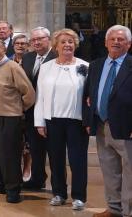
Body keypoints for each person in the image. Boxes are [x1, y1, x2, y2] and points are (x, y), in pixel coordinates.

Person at [34, 29, 89, 210]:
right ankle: (59, 193)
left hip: (77, 121)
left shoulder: (85, 66)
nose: (67, 45)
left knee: (77, 160)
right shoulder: (46, 67)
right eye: (63, 42)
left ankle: (79, 197)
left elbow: (89, 97)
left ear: (75, 45)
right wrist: (39, 121)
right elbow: (40, 96)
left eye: (71, 42)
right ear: (56, 46)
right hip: (53, 120)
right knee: (56, 159)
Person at [84, 25, 132, 217]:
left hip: (127, 128)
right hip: (103, 125)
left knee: (130, 173)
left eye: (121, 39)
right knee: (110, 170)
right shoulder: (96, 65)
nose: (116, 42)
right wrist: (89, 120)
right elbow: (89, 94)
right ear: (105, 43)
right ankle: (114, 209)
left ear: (129, 44)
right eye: (112, 39)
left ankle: (129, 211)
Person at [0, 40, 35, 204]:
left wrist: (18, 108)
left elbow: (29, 93)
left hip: (10, 118)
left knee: (9, 155)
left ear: (4, 49)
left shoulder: (13, 67)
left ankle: (13, 189)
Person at [21, 26, 57, 191]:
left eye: (40, 39)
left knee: (54, 151)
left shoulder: (57, 57)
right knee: (35, 148)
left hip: (52, 111)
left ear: (48, 39)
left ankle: (58, 185)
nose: (36, 42)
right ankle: (37, 178)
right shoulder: (27, 57)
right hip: (31, 111)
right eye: (33, 40)